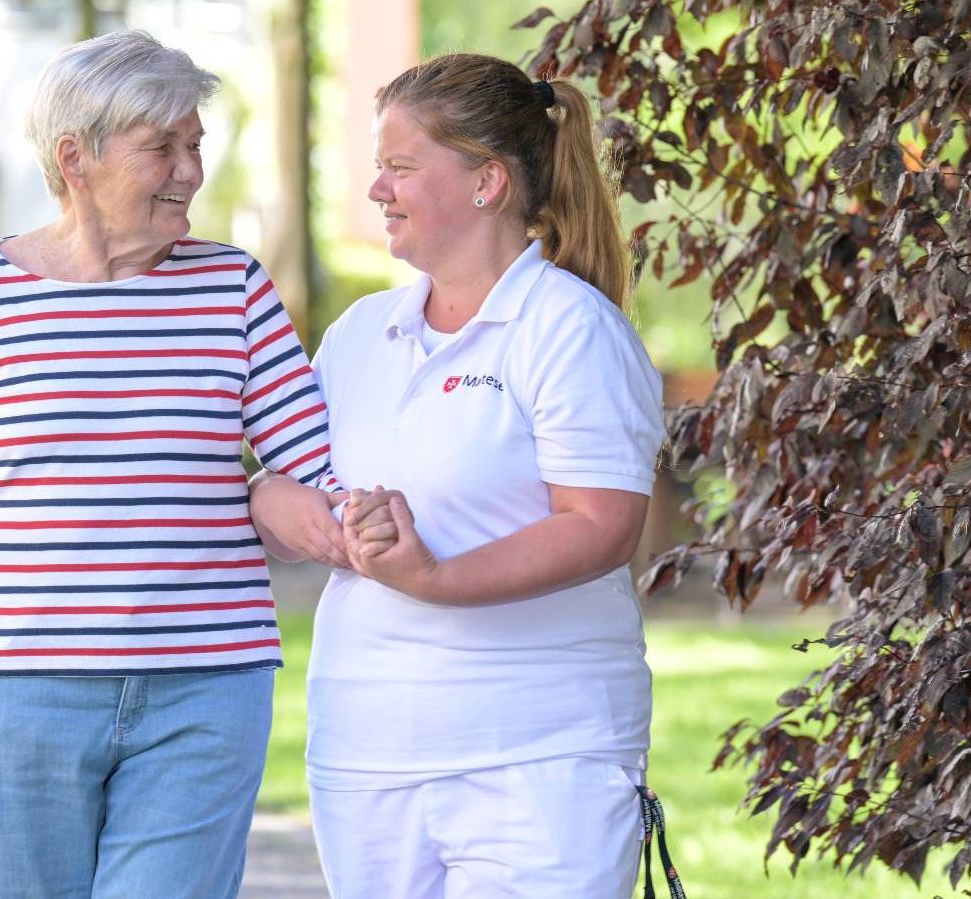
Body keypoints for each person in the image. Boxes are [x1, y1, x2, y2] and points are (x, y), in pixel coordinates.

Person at [0, 30, 352, 898]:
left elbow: (317, 465)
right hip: (16, 696)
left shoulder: (233, 289)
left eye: (196, 143)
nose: (191, 170)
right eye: (162, 147)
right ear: (76, 157)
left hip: (205, 690)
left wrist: (331, 508)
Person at [250, 53, 672, 898]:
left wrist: (434, 575)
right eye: (378, 167)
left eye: (399, 167)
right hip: (366, 753)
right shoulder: (362, 332)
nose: (377, 190)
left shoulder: (570, 329)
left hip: (540, 759)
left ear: (486, 183)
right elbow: (280, 490)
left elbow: (601, 527)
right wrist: (303, 513)